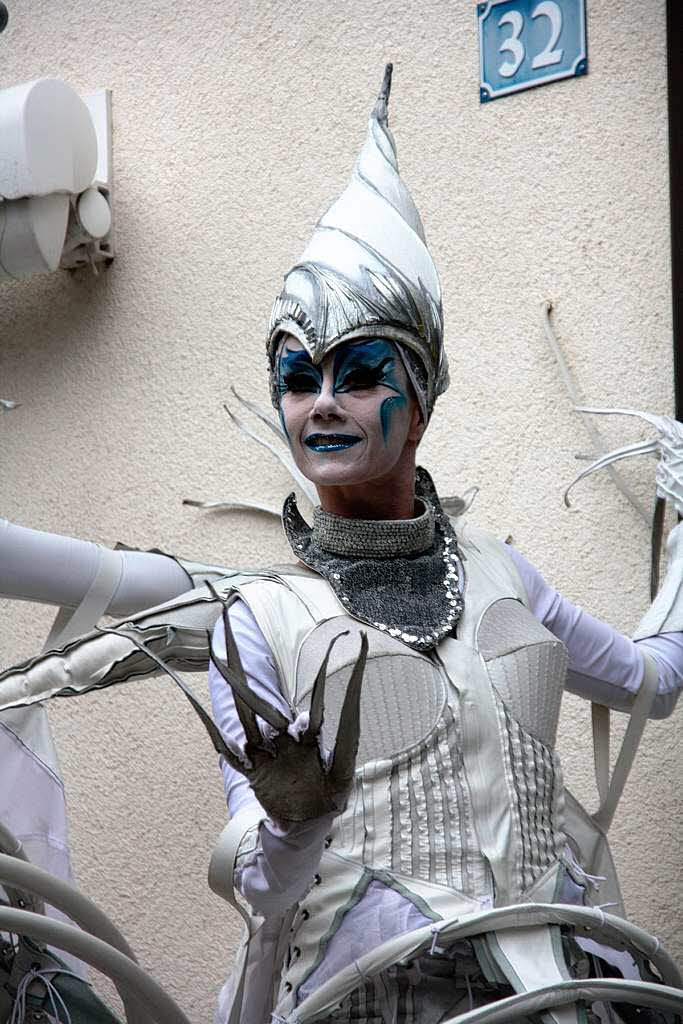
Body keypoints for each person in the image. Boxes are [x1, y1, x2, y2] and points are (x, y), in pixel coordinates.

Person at [1, 65, 683, 1024]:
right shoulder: (261, 620)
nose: (321, 401)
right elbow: (259, 881)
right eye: (296, 374)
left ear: (421, 394)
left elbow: (652, 675)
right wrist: (291, 823)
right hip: (374, 996)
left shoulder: (504, 571)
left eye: (359, 373)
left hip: (569, 989)